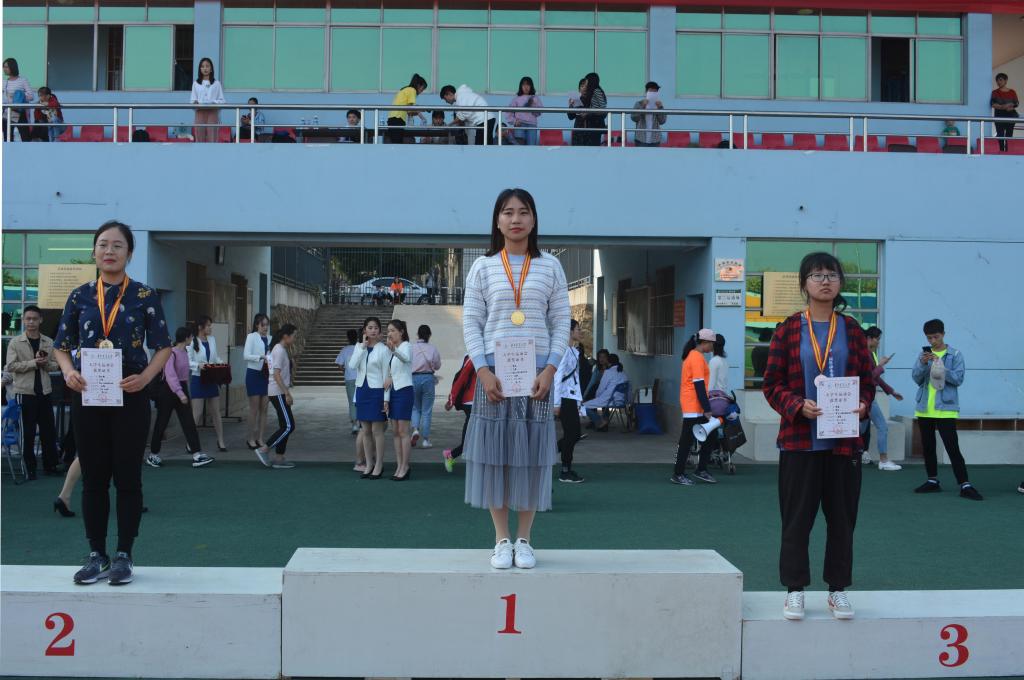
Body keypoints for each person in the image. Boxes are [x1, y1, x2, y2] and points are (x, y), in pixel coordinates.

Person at [53, 220, 173, 586]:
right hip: (88, 394)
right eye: (103, 244)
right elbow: (61, 346)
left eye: (117, 245)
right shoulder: (80, 296)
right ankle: (96, 555)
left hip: (130, 394)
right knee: (93, 477)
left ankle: (124, 554)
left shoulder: (144, 296)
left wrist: (146, 378)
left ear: (129, 253)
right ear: (94, 252)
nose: (109, 251)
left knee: (128, 477)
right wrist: (69, 372)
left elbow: (163, 347)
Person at [762, 251, 874, 622]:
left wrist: (863, 403)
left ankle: (837, 589)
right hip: (800, 442)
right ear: (804, 284)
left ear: (840, 283)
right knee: (797, 520)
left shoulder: (852, 330)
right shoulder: (789, 329)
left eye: (831, 275)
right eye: (816, 275)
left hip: (843, 443)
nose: (825, 281)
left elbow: (867, 381)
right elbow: (771, 384)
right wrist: (797, 405)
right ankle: (795, 589)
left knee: (843, 521)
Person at [462, 188, 570, 569]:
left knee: (531, 458)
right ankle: (500, 539)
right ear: (497, 221)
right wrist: (482, 370)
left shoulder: (551, 266)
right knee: (495, 458)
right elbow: (471, 322)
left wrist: (551, 369)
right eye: (508, 212)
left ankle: (524, 539)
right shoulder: (483, 267)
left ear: (534, 220)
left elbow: (562, 322)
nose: (516, 219)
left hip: (537, 376)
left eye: (523, 212)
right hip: (493, 376)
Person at [912, 319, 981, 500]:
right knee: (928, 447)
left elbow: (958, 379)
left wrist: (940, 366)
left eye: (936, 337)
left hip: (946, 408)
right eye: (929, 338)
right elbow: (916, 379)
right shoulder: (923, 355)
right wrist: (922, 364)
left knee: (952, 448)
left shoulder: (955, 354)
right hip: (924, 408)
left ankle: (965, 484)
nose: (933, 341)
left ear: (943, 334)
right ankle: (932, 480)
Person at [3, 304, 60, 479]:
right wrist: (33, 363)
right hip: (24, 393)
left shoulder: (48, 342)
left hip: (44, 392)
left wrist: (45, 363)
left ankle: (51, 466)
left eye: (34, 319)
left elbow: (56, 365)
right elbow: (11, 366)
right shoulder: (15, 342)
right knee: (27, 433)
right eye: (28, 319)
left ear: (40, 320)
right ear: (23, 320)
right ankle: (29, 468)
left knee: (48, 432)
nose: (31, 322)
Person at [148, 326, 212, 468]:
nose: (192, 339)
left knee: (188, 422)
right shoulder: (171, 353)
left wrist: (183, 391)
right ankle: (153, 455)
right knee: (161, 422)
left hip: (180, 388)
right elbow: (170, 376)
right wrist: (180, 393)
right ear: (187, 338)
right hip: (168, 391)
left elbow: (184, 375)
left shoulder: (185, 352)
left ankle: (197, 454)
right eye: (191, 336)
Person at [670, 329, 718, 486]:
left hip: (695, 405)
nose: (713, 347)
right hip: (692, 405)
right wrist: (707, 408)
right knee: (687, 440)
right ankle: (678, 473)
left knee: (711, 434)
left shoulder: (695, 356)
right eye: (712, 343)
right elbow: (698, 384)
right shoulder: (696, 357)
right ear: (705, 342)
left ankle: (701, 469)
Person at [348, 317, 392, 479]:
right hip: (362, 391)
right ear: (364, 330)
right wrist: (362, 347)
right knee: (365, 430)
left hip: (377, 392)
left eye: (376, 328)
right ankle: (368, 464)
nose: (373, 330)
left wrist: (386, 398)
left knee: (377, 431)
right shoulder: (359, 347)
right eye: (370, 327)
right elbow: (352, 365)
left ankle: (379, 464)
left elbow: (387, 375)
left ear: (380, 331)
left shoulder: (384, 349)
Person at [254, 324, 297, 469]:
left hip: (277, 391)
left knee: (285, 425)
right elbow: (276, 374)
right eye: (293, 336)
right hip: (277, 392)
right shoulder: (279, 350)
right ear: (286, 336)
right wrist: (286, 393)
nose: (294, 338)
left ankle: (279, 457)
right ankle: (264, 449)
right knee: (289, 426)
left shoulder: (280, 349)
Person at [862, 326, 903, 471]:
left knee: (859, 430)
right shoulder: (864, 354)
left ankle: (854, 456)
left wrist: (891, 391)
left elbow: (876, 378)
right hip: (866, 398)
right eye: (877, 339)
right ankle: (883, 460)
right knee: (881, 427)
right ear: (869, 338)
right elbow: (869, 378)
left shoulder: (869, 354)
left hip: (866, 398)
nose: (879, 342)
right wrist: (880, 365)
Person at [187, 315, 227, 452]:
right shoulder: (192, 341)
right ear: (200, 327)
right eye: (208, 325)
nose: (210, 328)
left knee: (216, 412)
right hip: (198, 379)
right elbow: (187, 361)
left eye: (210, 325)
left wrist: (222, 364)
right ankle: (190, 442)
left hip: (211, 378)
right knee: (196, 414)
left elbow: (215, 358)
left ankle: (221, 441)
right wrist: (198, 365)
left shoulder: (212, 340)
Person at [554, 319, 585, 483]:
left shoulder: (573, 351)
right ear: (570, 331)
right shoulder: (565, 351)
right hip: (564, 398)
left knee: (574, 434)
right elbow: (557, 376)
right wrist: (556, 403)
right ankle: (565, 470)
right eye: (578, 329)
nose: (580, 332)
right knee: (572, 434)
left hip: (571, 397)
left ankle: (552, 455)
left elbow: (575, 380)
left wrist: (579, 402)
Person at [384, 319, 413, 480]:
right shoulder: (392, 351)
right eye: (388, 330)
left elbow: (406, 359)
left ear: (401, 332)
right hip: (394, 392)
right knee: (395, 431)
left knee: (403, 431)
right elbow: (390, 376)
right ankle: (399, 465)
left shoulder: (406, 346)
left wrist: (394, 349)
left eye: (393, 330)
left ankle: (405, 466)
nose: (390, 333)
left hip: (404, 391)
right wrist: (386, 399)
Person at [442, 354, 476, 472]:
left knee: (475, 437)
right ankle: (451, 455)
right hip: (471, 402)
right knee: (471, 438)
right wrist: (451, 399)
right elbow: (461, 378)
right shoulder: (474, 356)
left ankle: (451, 455)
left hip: (485, 403)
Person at [242, 313, 271, 449]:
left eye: (267, 325)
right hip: (253, 374)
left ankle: (260, 438)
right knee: (254, 409)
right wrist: (261, 357)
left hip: (266, 375)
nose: (265, 327)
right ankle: (250, 438)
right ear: (257, 325)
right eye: (263, 325)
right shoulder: (251, 337)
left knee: (264, 409)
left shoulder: (270, 338)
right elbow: (246, 355)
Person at [410, 324, 441, 449]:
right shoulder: (433, 348)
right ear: (429, 335)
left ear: (417, 335)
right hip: (428, 378)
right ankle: (426, 440)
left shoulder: (411, 348)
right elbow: (438, 365)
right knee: (427, 410)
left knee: (415, 408)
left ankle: (415, 430)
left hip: (414, 378)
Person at [581, 354, 627, 431]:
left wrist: (596, 397)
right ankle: (604, 421)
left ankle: (601, 422)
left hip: (611, 400)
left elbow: (601, 389)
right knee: (594, 403)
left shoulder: (608, 372)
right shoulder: (623, 372)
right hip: (622, 400)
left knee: (582, 406)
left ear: (608, 362)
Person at [190, 57, 224, 143]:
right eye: (202, 66)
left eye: (207, 66)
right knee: (199, 136)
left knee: (212, 137)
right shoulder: (195, 83)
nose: (205, 68)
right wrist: (195, 102)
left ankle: (213, 151)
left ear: (211, 68)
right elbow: (193, 100)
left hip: (212, 111)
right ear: (200, 69)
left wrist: (213, 102)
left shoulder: (216, 83)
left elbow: (222, 100)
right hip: (200, 112)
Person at [387, 73, 428, 144]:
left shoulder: (406, 89)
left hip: (393, 119)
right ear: (418, 85)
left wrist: (419, 111)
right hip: (397, 120)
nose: (422, 91)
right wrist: (422, 110)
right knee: (397, 144)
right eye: (422, 88)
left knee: (396, 143)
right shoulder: (412, 90)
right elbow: (410, 110)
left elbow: (409, 111)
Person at [335, 329, 361, 436]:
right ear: (357, 337)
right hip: (361, 379)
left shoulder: (345, 350)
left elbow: (339, 364)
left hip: (349, 379)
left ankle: (354, 424)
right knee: (361, 401)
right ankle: (362, 422)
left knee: (352, 402)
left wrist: (344, 371)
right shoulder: (360, 348)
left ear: (347, 338)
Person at [505, 76, 542, 146]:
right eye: (524, 84)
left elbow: (538, 113)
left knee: (531, 146)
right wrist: (514, 121)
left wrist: (532, 104)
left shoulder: (535, 98)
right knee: (520, 146)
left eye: (528, 84)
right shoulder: (516, 99)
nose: (526, 87)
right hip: (520, 125)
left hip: (532, 125)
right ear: (521, 86)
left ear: (531, 86)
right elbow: (508, 113)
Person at [3, 57, 33, 142]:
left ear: (12, 67)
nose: (4, 69)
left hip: (20, 112)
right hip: (7, 113)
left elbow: (31, 96)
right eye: (3, 67)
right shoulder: (4, 82)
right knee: (7, 138)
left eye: (6, 67)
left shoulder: (23, 80)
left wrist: (19, 96)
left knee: (25, 138)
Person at [631, 81, 667, 147]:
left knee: (655, 154)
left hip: (655, 139)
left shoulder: (659, 105)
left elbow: (662, 121)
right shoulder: (639, 103)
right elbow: (634, 118)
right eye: (651, 91)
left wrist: (660, 108)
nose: (653, 93)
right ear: (646, 91)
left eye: (655, 91)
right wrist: (643, 107)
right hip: (640, 138)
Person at [991, 73, 1018, 152]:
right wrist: (1003, 107)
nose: (998, 82)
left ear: (1006, 81)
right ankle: (1001, 151)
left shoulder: (1012, 92)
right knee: (1000, 134)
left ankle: (1008, 151)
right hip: (999, 115)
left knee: (1009, 134)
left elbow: (1016, 103)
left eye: (1000, 80)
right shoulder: (995, 92)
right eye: (997, 80)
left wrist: (1011, 106)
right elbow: (992, 104)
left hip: (1011, 115)